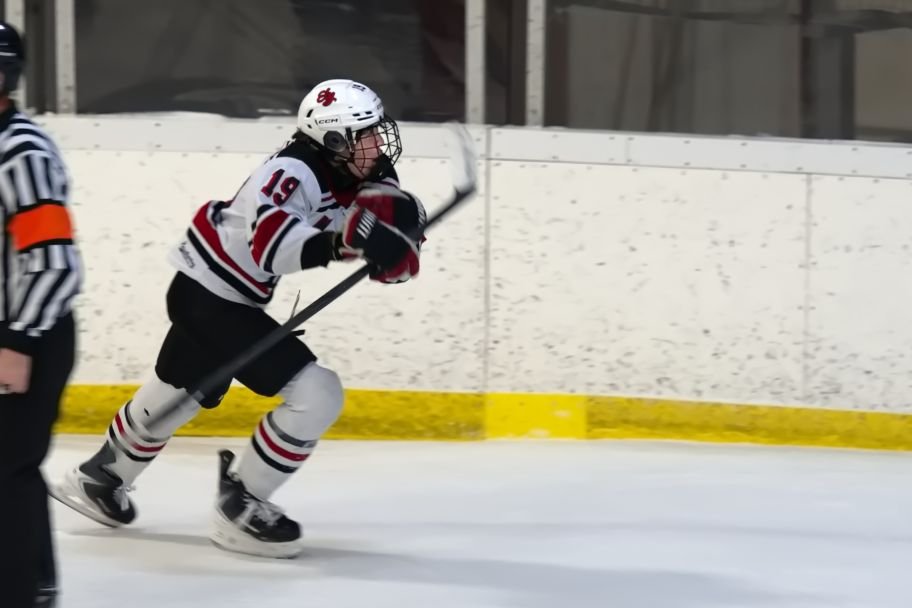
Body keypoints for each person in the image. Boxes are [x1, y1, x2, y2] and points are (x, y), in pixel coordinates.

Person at [50, 79, 425, 559]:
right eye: (365, 134)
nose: (378, 143)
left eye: (376, 131)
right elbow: (271, 246)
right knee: (318, 394)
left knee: (180, 392)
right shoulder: (293, 171)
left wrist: (396, 241)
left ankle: (99, 478)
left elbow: (380, 213)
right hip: (212, 301)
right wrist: (345, 243)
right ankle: (241, 506)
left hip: (208, 294)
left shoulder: (354, 170)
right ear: (334, 141)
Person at [0, 22, 83, 608]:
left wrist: (18, 341)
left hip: (29, 335)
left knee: (7, 469)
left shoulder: (21, 153)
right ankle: (35, 583)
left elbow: (54, 263)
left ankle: (22, 591)